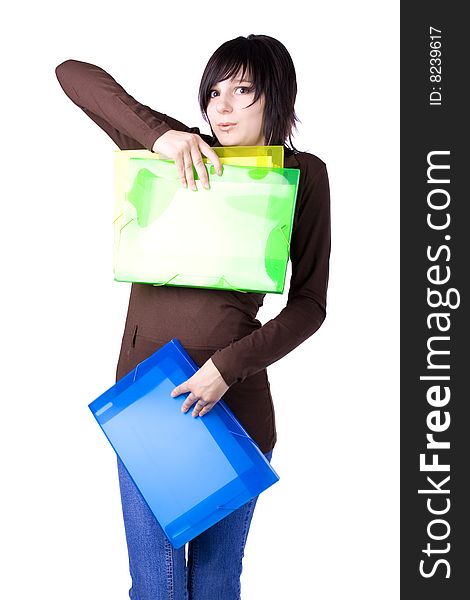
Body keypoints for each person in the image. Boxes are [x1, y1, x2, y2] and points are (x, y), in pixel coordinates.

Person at [55, 33, 331, 600]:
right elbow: (70, 73)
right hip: (148, 399)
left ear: (276, 95)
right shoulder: (176, 150)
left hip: (234, 402)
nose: (222, 107)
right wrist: (160, 135)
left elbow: (310, 304)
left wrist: (227, 368)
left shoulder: (303, 175)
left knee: (213, 583)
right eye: (213, 92)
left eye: (243, 90)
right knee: (155, 585)